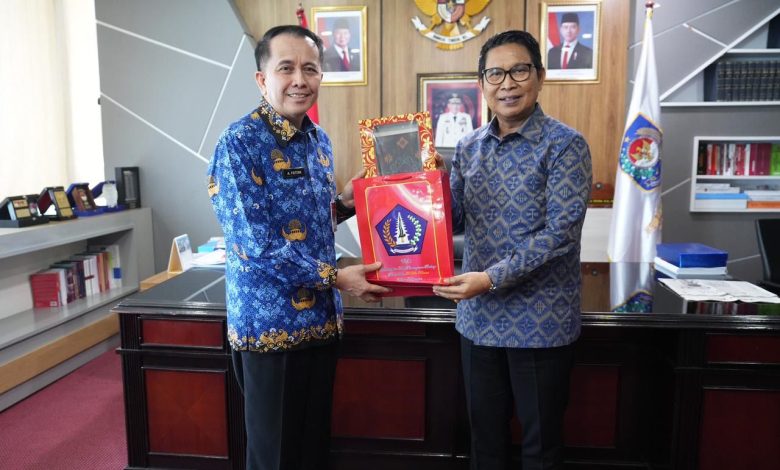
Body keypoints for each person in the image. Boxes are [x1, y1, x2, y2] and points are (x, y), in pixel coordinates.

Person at [206, 25, 389, 470]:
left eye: (310, 69)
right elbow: (256, 245)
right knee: (276, 457)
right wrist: (337, 278)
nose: (299, 80)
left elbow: (310, 226)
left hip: (321, 324)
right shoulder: (239, 143)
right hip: (271, 329)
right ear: (261, 78)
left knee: (311, 451)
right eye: (286, 68)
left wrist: (345, 204)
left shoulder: (318, 141)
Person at [433, 30, 592, 469]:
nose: (507, 84)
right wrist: (430, 183)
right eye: (495, 74)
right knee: (485, 444)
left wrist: (490, 279)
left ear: (539, 76)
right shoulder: (468, 147)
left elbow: (561, 233)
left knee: (541, 447)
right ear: (481, 83)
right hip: (478, 321)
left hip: (540, 321)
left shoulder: (565, 145)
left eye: (519, 71)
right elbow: (454, 221)